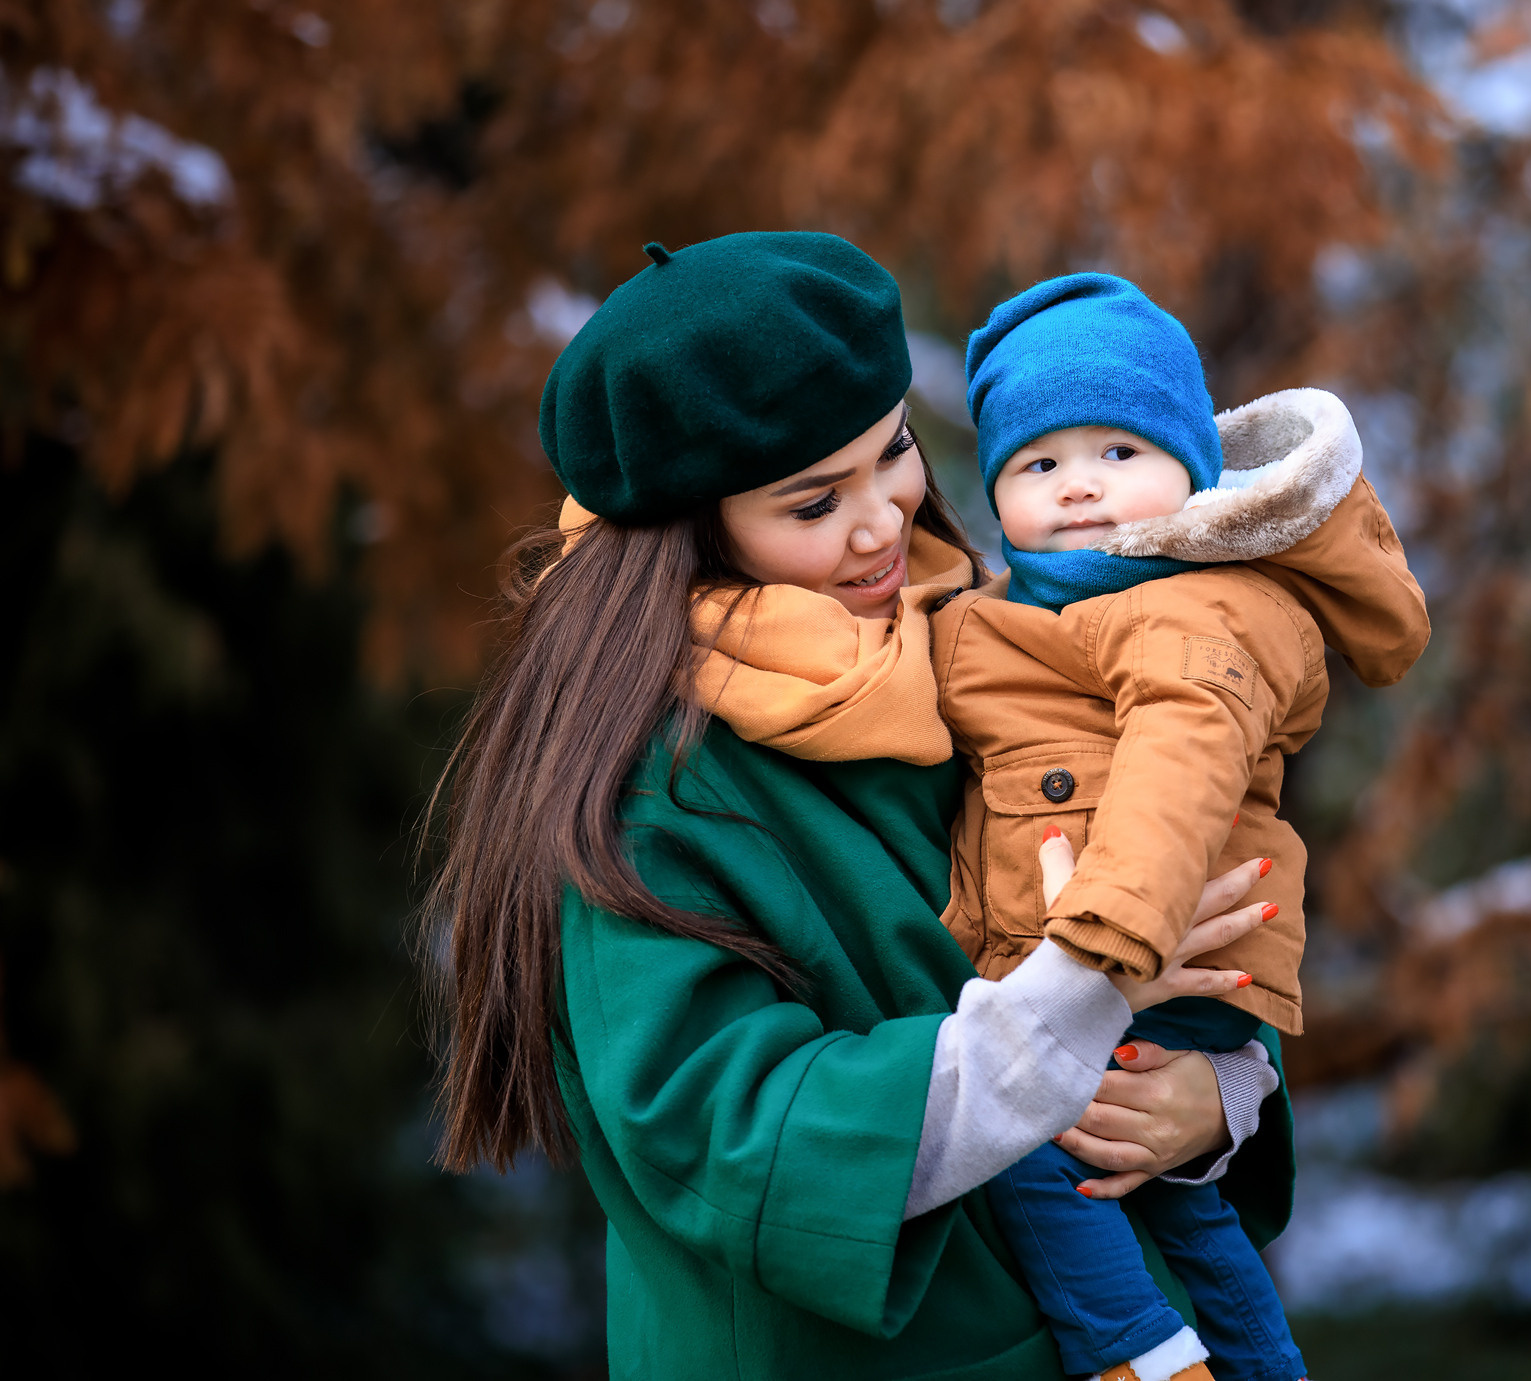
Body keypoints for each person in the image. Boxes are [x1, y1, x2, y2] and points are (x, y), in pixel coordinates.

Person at [423, 232, 1295, 1380]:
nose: (882, 521)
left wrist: (1211, 1101)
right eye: (811, 501)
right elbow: (727, 1136)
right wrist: (1071, 1006)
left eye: (890, 453)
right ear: (693, 526)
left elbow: (1199, 931)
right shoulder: (646, 787)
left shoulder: (990, 638)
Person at [930, 274, 1431, 1381]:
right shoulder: (1018, 613)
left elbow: (1182, 759)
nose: (1077, 489)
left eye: (1118, 452)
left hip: (1149, 951)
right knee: (1186, 1215)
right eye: (1036, 463)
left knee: (1024, 1148)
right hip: (1122, 965)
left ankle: (1140, 1357)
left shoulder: (1198, 605)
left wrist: (1104, 937)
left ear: (1191, 471)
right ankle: (1259, 1361)